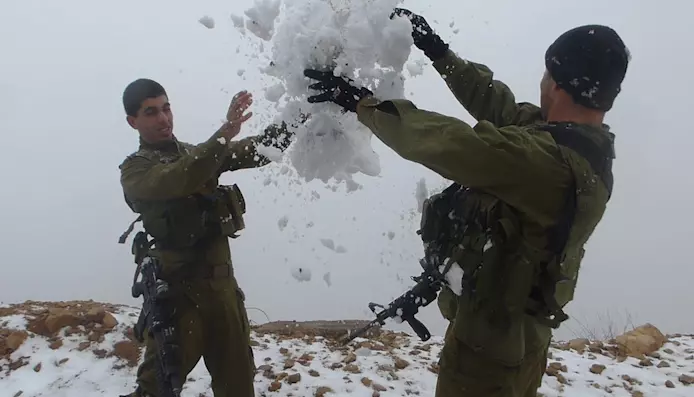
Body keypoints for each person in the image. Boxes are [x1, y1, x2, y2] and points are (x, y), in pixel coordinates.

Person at [304, 8, 629, 397]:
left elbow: (451, 142)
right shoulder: (581, 145)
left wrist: (362, 104)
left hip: (487, 354)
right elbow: (498, 105)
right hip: (517, 337)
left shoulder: (545, 161)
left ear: (557, 84)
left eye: (547, 74)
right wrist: (438, 51)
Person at [117, 78, 295, 397]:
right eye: (151, 112)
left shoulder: (197, 153)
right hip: (180, 299)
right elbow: (180, 177)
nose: (163, 118)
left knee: (238, 387)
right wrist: (224, 134)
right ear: (133, 122)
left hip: (223, 294)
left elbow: (260, 150)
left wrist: (304, 113)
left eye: (166, 108)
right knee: (156, 389)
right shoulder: (135, 170)